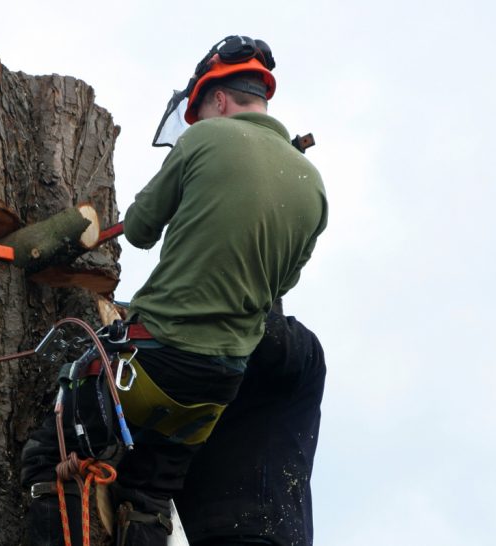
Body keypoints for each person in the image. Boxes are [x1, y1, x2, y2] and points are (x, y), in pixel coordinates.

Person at [21, 35, 328, 545]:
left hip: (156, 357)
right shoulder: (312, 184)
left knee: (48, 456)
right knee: (149, 492)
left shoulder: (203, 140)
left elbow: (140, 229)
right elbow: (284, 282)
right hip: (220, 382)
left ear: (219, 100)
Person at [175, 310, 326, 546]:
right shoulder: (194, 383)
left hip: (256, 532)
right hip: (194, 533)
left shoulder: (300, 347)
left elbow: (260, 333)